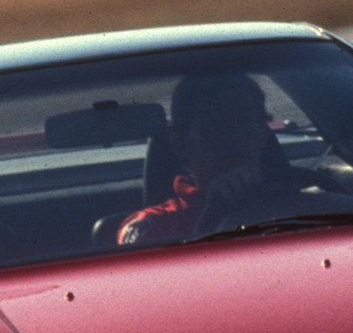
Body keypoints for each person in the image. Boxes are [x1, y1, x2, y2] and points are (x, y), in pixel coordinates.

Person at [117, 72, 283, 246]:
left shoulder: (298, 204)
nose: (235, 136)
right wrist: (214, 216)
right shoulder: (153, 226)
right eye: (216, 125)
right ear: (181, 144)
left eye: (245, 120)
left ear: (263, 133)